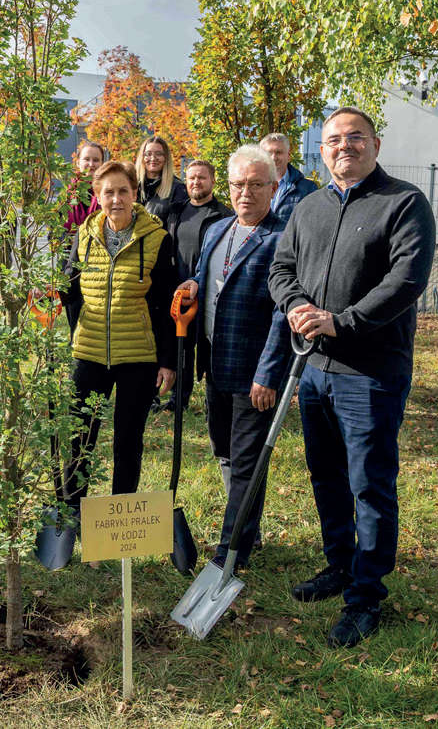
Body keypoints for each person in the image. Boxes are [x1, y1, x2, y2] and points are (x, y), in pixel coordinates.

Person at [269, 106, 435, 648]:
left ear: (376, 144)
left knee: (369, 483)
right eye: (334, 139)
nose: (344, 146)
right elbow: (281, 268)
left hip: (371, 373)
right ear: (322, 150)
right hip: (314, 370)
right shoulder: (309, 206)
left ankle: (366, 594)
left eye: (355, 137)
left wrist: (339, 322)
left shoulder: (404, 203)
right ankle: (340, 565)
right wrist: (297, 307)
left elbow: (405, 281)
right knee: (327, 477)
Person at [177, 144, 292, 571]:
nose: (245, 193)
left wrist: (269, 374)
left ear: (273, 187)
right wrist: (192, 285)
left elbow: (284, 312)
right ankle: (248, 527)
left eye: (256, 185)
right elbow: (207, 277)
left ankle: (232, 550)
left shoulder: (282, 238)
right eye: (238, 185)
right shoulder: (217, 229)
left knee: (246, 460)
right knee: (225, 450)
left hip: (253, 374)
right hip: (215, 364)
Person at [61, 160, 176, 519]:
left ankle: (119, 516)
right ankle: (71, 510)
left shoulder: (156, 238)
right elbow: (70, 286)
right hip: (90, 353)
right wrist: (75, 327)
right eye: (107, 192)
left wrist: (168, 361)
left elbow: (166, 304)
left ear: (134, 193)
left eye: (122, 191)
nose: (115, 199)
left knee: (128, 440)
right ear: (97, 196)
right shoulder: (85, 234)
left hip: (137, 357)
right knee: (80, 436)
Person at [164, 159, 232, 411]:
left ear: (213, 181)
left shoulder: (224, 216)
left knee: (208, 348)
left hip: (208, 293)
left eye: (201, 177)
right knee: (180, 348)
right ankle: (178, 399)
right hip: (178, 291)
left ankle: (213, 400)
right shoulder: (177, 211)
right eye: (191, 177)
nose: (195, 182)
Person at [260, 132, 317, 224]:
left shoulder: (308, 189)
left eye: (279, 152)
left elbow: (312, 225)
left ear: (288, 156)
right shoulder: (251, 187)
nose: (274, 157)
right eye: (269, 153)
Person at [134, 135, 187, 228]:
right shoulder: (132, 186)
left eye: (158, 154)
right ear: (142, 157)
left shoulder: (177, 189)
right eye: (148, 154)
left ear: (166, 158)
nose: (153, 158)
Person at [64, 141, 106, 234]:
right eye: (87, 159)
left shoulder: (108, 191)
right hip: (68, 244)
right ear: (78, 162)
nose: (91, 164)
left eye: (96, 160)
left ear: (102, 163)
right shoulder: (68, 191)